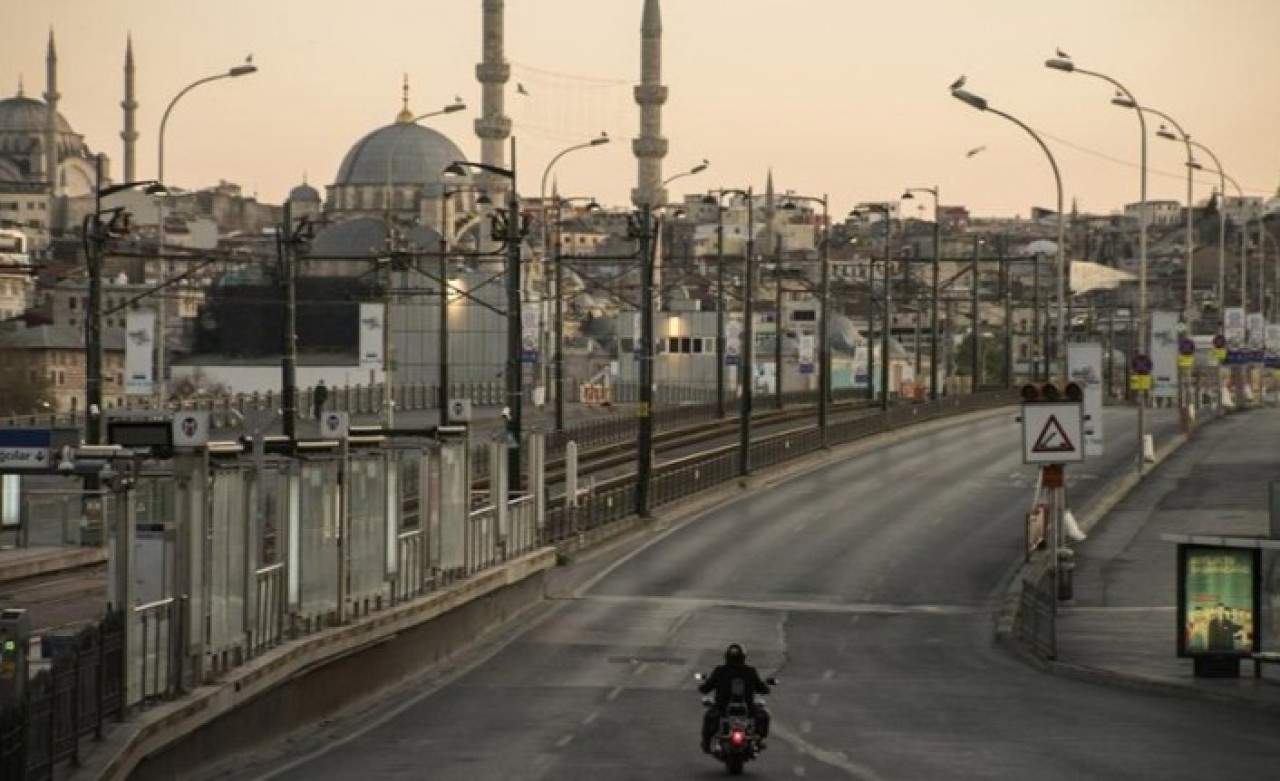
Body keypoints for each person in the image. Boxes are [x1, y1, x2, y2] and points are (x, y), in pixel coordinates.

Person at [699, 643, 771, 754]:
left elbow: (706, 687)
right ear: (743, 657)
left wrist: (703, 687)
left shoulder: (720, 671)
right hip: (746, 709)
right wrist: (765, 689)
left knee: (709, 716)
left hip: (723, 708)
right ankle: (759, 740)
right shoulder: (750, 671)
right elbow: (762, 688)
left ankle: (706, 744)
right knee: (764, 714)